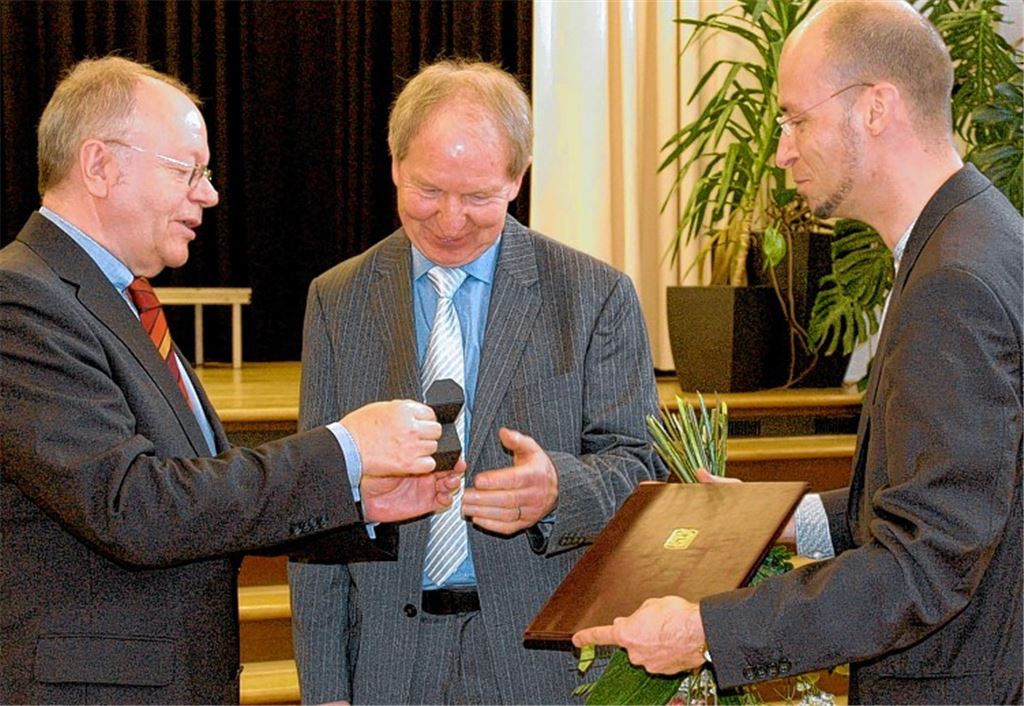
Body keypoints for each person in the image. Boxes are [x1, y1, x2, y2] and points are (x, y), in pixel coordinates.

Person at [573, 2, 1023, 704]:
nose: (782, 151)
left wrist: (707, 630)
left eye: (796, 120)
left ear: (875, 108)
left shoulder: (953, 281)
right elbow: (960, 494)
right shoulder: (978, 234)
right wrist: (782, 520)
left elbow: (926, 563)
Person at [0, 56, 463, 705]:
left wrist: (360, 501)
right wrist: (344, 450)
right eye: (187, 170)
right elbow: (134, 506)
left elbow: (197, 500)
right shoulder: (20, 300)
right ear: (100, 165)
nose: (209, 195)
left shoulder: (117, 301)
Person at [287, 59, 664, 705]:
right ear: (394, 165)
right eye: (429, 190)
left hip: (544, 665)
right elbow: (319, 506)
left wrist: (559, 489)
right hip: (387, 665)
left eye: (479, 197)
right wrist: (325, 690)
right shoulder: (337, 300)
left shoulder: (593, 296)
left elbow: (643, 469)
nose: (451, 220)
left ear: (517, 178)